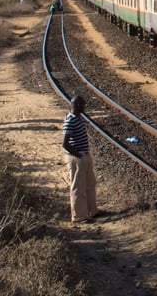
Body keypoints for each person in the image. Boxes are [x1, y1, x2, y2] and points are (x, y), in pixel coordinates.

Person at [62, 95, 97, 223]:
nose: (84, 107)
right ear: (77, 106)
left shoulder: (77, 117)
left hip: (84, 155)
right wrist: (78, 155)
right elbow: (65, 143)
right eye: (83, 105)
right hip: (77, 158)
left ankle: (91, 211)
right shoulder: (70, 121)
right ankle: (79, 216)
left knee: (89, 183)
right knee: (78, 186)